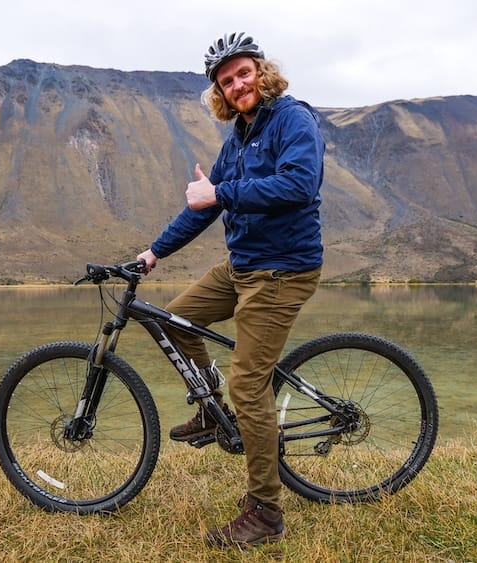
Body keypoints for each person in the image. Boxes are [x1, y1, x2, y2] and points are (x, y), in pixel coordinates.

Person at [136, 32, 325, 547]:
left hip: (283, 270)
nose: (238, 84)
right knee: (171, 320)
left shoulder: (293, 119)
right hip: (243, 265)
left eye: (244, 73)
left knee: (249, 385)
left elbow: (299, 184)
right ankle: (209, 409)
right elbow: (203, 207)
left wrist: (219, 190)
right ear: (220, 93)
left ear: (261, 73)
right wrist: (152, 254)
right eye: (227, 81)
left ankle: (265, 513)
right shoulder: (237, 139)